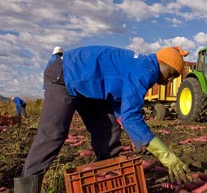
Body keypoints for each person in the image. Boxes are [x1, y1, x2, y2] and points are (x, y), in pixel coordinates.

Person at [14, 45, 191, 192]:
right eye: (171, 74)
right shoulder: (145, 70)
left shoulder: (142, 66)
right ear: (163, 62)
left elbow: (121, 106)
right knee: (53, 134)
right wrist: (166, 156)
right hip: (65, 76)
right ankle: (26, 188)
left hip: (89, 90)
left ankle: (107, 181)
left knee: (108, 130)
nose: (168, 81)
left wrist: (138, 138)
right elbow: (131, 116)